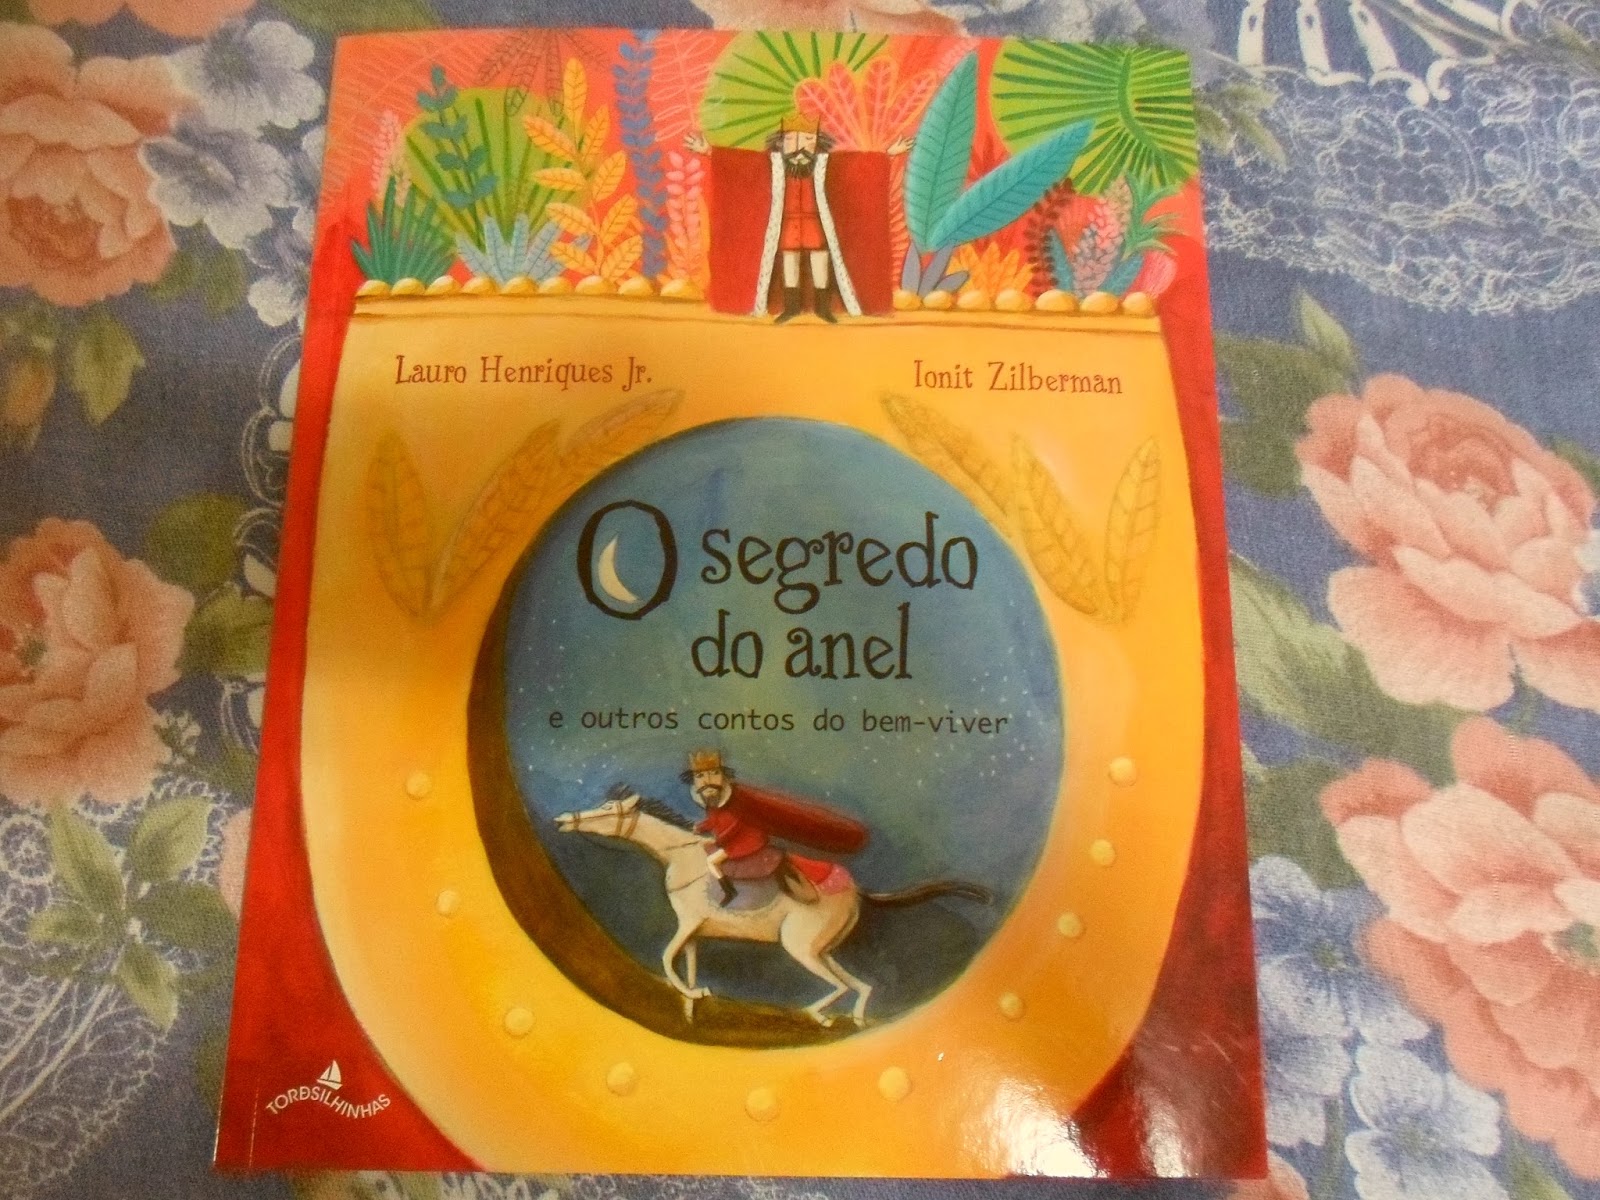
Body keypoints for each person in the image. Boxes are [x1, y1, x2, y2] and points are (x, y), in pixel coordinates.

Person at [685, 115, 909, 320]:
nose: (800, 146)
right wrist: (708, 151)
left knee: (820, 261)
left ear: (817, 143)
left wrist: (888, 154)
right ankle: (791, 307)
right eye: (792, 140)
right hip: (787, 225)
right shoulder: (771, 165)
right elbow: (742, 166)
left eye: (808, 139)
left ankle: (822, 308)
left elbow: (856, 167)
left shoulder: (827, 165)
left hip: (815, 225)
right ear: (781, 143)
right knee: (789, 262)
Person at [682, 748, 868, 905]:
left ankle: (728, 891)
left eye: (714, 773)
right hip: (732, 841)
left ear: (722, 775)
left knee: (711, 861)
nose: (707, 780)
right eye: (700, 776)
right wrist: (702, 826)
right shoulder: (712, 801)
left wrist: (720, 840)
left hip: (743, 843)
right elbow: (715, 820)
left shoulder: (737, 799)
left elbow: (736, 826)